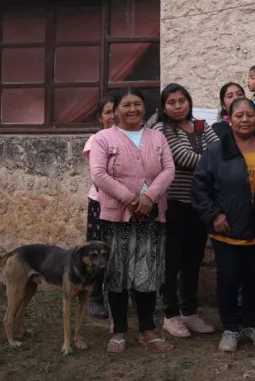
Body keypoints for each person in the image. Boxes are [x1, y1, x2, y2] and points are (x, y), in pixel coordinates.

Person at [88, 88, 175, 353]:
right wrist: (130, 198)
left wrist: (148, 197)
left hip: (150, 214)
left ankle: (148, 330)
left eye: (137, 104)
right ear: (115, 111)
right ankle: (118, 331)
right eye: (126, 105)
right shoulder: (103, 138)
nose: (132, 109)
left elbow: (169, 169)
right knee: (117, 273)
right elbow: (99, 174)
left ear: (144, 109)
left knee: (147, 273)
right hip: (117, 216)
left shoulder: (157, 136)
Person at [193, 97, 255, 353]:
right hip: (227, 229)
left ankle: (252, 324)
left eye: (250, 114)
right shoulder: (217, 151)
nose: (246, 120)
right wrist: (214, 214)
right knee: (228, 279)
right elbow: (200, 187)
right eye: (239, 115)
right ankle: (230, 328)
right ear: (229, 118)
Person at [152, 83, 220, 338]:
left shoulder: (201, 125)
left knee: (193, 259)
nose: (178, 106)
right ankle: (170, 315)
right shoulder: (161, 129)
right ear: (164, 106)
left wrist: (210, 159)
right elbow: (183, 158)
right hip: (173, 204)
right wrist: (211, 161)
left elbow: (220, 149)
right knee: (172, 261)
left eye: (182, 100)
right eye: (171, 102)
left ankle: (189, 313)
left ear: (189, 102)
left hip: (200, 204)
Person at [84, 95, 115, 320]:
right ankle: (94, 297)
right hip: (100, 202)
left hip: (127, 204)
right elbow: (99, 176)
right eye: (107, 112)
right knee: (98, 251)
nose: (112, 115)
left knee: (124, 250)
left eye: (116, 110)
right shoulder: (95, 140)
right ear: (100, 117)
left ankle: (125, 296)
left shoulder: (132, 139)